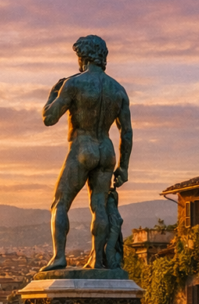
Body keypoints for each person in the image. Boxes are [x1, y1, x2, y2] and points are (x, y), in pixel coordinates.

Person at [39, 34, 133, 272]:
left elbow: (49, 118)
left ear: (83, 57)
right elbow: (127, 133)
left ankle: (59, 257)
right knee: (99, 207)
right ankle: (98, 261)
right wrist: (124, 167)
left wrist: (53, 93)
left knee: (59, 204)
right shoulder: (118, 90)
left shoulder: (74, 83)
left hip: (83, 148)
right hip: (107, 151)